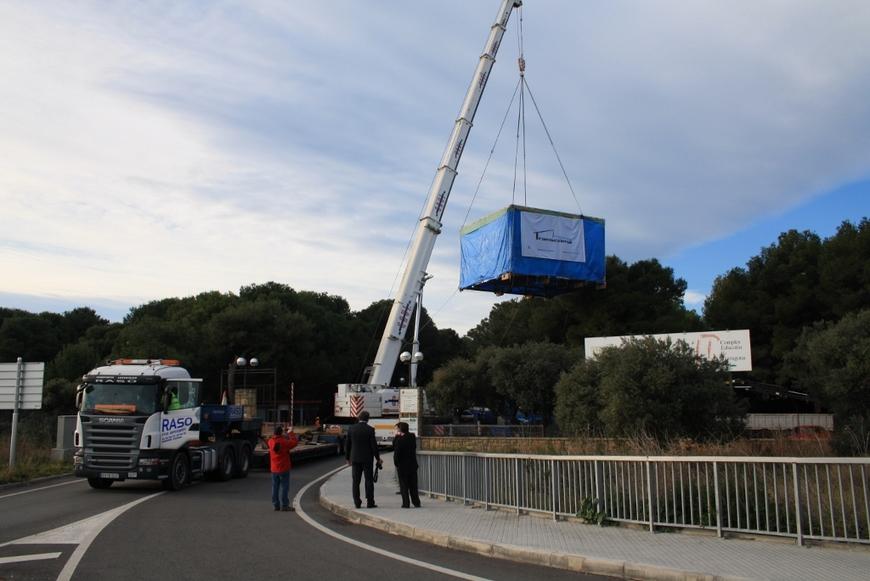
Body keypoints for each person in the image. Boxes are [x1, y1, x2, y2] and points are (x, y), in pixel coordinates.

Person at [345, 410, 381, 508]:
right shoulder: (370, 430)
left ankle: (357, 502)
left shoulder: (351, 429)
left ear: (358, 418)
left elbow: (347, 445)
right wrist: (378, 458)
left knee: (356, 481)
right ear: (368, 419)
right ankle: (370, 502)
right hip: (367, 459)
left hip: (355, 458)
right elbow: (374, 446)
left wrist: (347, 458)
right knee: (369, 480)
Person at [267, 425, 299, 512]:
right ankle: (285, 505)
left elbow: (274, 441)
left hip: (274, 468)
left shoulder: (270, 441)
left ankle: (276, 505)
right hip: (284, 468)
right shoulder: (284, 442)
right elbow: (294, 442)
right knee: (285, 487)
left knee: (275, 487)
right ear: (281, 433)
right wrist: (290, 432)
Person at [392, 421, 421, 508]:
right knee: (413, 485)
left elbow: (396, 452)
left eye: (397, 429)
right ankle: (416, 502)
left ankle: (406, 503)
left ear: (400, 430)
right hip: (412, 465)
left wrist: (396, 464)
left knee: (404, 485)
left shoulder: (399, 440)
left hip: (402, 466)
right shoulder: (412, 437)